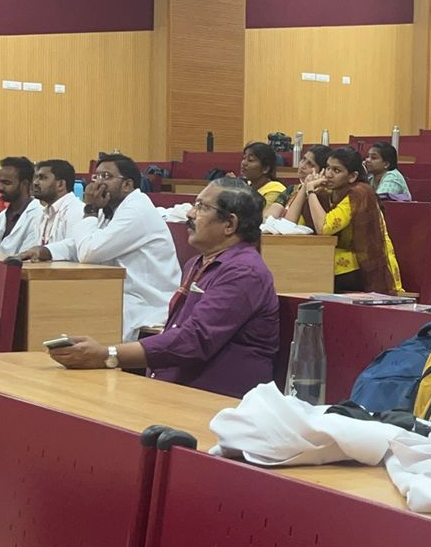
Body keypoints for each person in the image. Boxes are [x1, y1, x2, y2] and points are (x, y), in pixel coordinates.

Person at [48, 180, 279, 397]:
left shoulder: (244, 272)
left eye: (202, 207)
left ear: (229, 224)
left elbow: (193, 340)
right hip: (176, 388)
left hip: (217, 399)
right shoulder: (197, 263)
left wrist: (108, 355)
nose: (190, 213)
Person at [18, 155, 181, 341]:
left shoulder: (136, 210)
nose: (98, 183)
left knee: (75, 314)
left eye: (106, 176)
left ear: (127, 185)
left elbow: (89, 252)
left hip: (145, 302)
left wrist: (90, 210)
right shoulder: (111, 207)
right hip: (118, 293)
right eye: (96, 176)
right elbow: (82, 241)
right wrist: (47, 251)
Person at [287, 146, 404, 293]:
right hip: (340, 255)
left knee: (308, 269)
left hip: (367, 262)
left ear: (352, 176)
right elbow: (289, 225)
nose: (329, 174)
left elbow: (324, 228)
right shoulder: (325, 192)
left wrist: (310, 192)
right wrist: (305, 187)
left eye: (336, 170)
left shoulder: (359, 193)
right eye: (328, 168)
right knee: (296, 262)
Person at [29, 159, 83, 248]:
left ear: (60, 184)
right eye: (36, 178)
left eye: (43, 178)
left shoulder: (77, 211)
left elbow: (73, 250)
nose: (35, 183)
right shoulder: (44, 213)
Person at [240, 142, 290, 219]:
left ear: (265, 168)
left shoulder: (275, 190)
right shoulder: (247, 185)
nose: (243, 163)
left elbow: (261, 220)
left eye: (250, 160)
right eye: (244, 158)